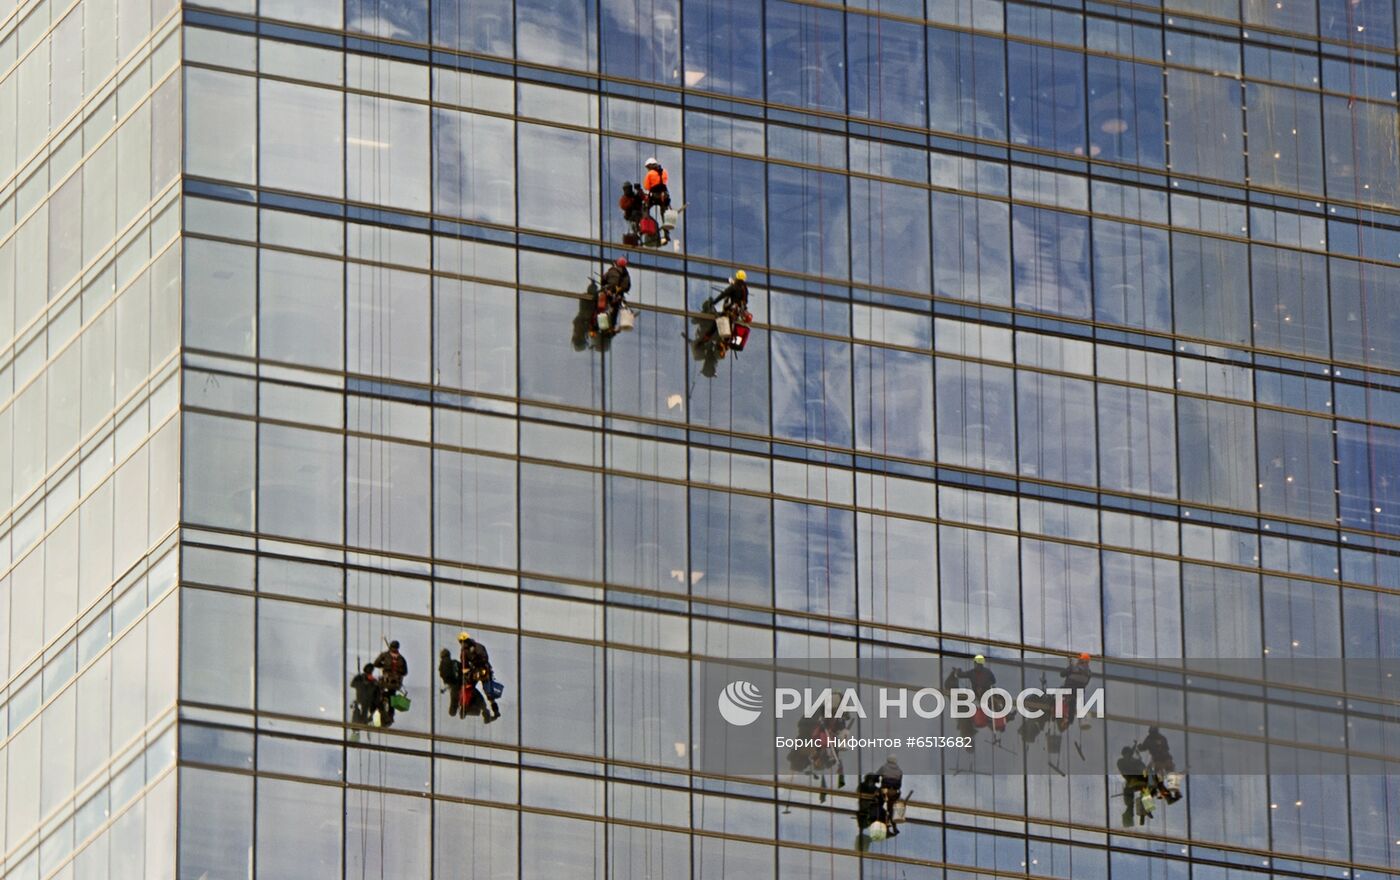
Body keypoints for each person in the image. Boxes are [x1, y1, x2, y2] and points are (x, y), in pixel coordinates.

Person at [703, 271, 750, 358]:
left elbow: (723, 294)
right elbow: (745, 302)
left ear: (737, 277)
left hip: (730, 311)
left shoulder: (734, 287)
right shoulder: (745, 289)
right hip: (737, 313)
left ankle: (706, 337)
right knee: (729, 328)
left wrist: (714, 302)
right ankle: (723, 345)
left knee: (717, 323)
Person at [459, 631, 501, 722]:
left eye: (464, 641)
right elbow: (464, 665)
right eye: (462, 642)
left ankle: (495, 711)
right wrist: (467, 672)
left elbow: (484, 658)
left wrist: (474, 666)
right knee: (469, 687)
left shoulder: (477, 647)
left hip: (482, 670)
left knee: (488, 691)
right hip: (476, 671)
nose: (463, 644)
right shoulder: (465, 651)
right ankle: (465, 707)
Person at [593, 257, 631, 337]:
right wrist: (620, 291)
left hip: (607, 293)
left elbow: (603, 280)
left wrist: (607, 287)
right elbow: (627, 287)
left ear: (617, 263)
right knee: (614, 312)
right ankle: (611, 328)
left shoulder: (612, 270)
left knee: (601, 309)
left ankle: (595, 328)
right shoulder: (625, 274)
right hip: (617, 297)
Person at [374, 640, 409, 725]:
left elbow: (405, 672)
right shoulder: (398, 658)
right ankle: (387, 715)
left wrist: (385, 667)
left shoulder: (391, 656)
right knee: (388, 696)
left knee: (387, 696)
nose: (393, 649)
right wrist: (385, 667)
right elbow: (376, 663)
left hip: (391, 681)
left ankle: (387, 715)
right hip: (391, 681)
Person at [1117, 745, 1151, 825]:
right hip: (1131, 783)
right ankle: (1129, 820)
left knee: (1145, 791)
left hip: (1138, 782)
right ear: (1124, 754)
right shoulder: (1121, 762)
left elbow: (1144, 769)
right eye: (1128, 754)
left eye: (1130, 754)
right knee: (1129, 804)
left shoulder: (1134, 762)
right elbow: (1126, 765)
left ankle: (1147, 809)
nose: (1129, 756)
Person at [875, 755, 904, 836]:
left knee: (879, 804)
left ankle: (882, 824)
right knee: (890, 810)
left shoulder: (884, 767)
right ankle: (894, 827)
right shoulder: (899, 771)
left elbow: (876, 776)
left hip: (884, 791)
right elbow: (900, 784)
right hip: (894, 793)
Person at [439, 648, 464, 717]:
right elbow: (462, 668)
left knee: (454, 699)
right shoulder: (454, 662)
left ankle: (452, 713)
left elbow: (442, 674)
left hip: (451, 683)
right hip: (459, 682)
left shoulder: (442, 663)